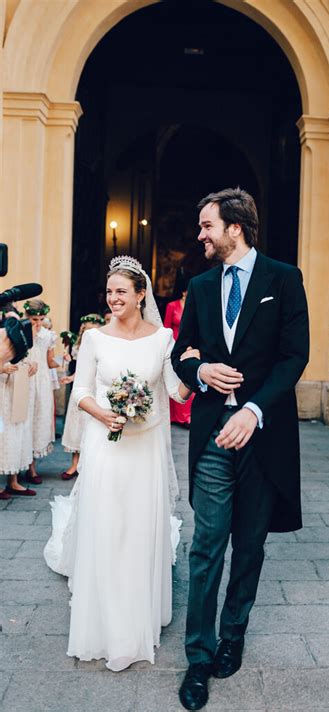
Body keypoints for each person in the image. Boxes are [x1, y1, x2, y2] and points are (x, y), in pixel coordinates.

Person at [171, 188, 309, 711]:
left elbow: (295, 356)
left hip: (263, 436)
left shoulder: (284, 278)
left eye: (207, 226)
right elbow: (185, 351)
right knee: (206, 544)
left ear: (235, 227)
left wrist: (254, 411)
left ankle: (234, 635)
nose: (200, 235)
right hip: (211, 434)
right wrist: (201, 370)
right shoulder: (201, 285)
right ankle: (199, 657)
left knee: (250, 546)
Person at [43, 256, 197, 672]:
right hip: (106, 444)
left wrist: (196, 368)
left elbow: (175, 392)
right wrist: (104, 414)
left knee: (140, 526)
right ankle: (106, 620)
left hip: (144, 449)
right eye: (109, 292)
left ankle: (139, 613)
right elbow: (81, 392)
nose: (113, 299)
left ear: (141, 293)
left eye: (121, 292)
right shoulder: (95, 339)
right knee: (107, 523)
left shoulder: (163, 338)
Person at [59, 314, 104, 480]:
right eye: (86, 330)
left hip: (97, 388)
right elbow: (81, 369)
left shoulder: (103, 346)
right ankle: (74, 464)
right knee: (77, 424)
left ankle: (91, 464)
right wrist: (70, 376)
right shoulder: (79, 346)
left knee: (91, 424)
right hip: (81, 387)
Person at [24, 299, 58, 485]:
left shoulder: (48, 335)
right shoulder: (20, 332)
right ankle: (18, 461)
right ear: (27, 317)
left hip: (42, 381)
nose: (38, 323)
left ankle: (32, 467)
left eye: (41, 319)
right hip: (24, 380)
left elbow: (51, 361)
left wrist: (65, 359)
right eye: (34, 319)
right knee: (24, 419)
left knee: (39, 420)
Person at [0, 355, 38, 498]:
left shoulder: (13, 333)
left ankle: (13, 481)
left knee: (15, 433)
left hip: (15, 388)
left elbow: (23, 355)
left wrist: (31, 363)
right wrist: (2, 368)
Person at [164, 276, 194, 427]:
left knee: (187, 380)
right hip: (173, 346)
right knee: (171, 378)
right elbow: (167, 326)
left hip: (189, 347)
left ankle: (186, 416)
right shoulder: (172, 306)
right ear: (183, 292)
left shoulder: (194, 305)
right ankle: (173, 417)